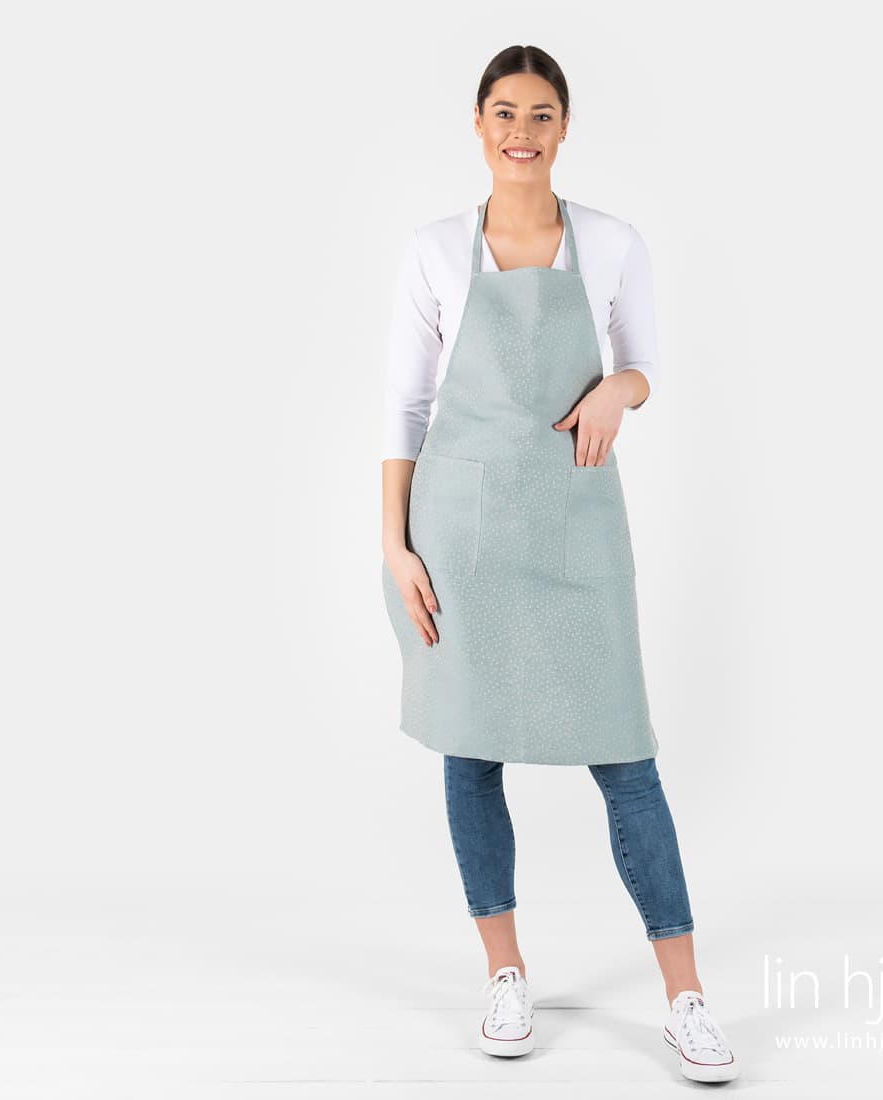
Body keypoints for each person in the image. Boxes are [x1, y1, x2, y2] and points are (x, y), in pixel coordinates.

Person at [380, 44, 740, 1085]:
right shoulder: (434, 250)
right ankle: (505, 974)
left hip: (577, 528)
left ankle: (686, 997)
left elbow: (644, 366)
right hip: (461, 532)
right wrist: (395, 545)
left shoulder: (614, 243)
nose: (521, 132)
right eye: (504, 112)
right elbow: (404, 407)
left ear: (565, 125)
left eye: (540, 113)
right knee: (469, 754)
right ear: (478, 124)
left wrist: (616, 392)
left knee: (626, 759)